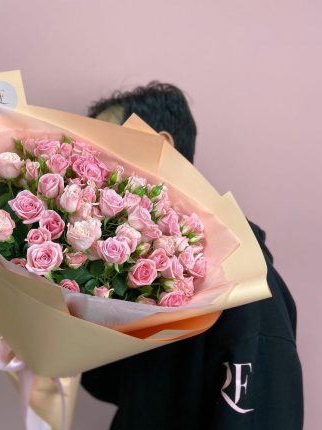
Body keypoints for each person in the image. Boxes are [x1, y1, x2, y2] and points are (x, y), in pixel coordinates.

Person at [80, 82, 304, 429]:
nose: (91, 164)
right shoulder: (143, 270)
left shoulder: (243, 280)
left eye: (105, 145)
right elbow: (114, 387)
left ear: (161, 146)